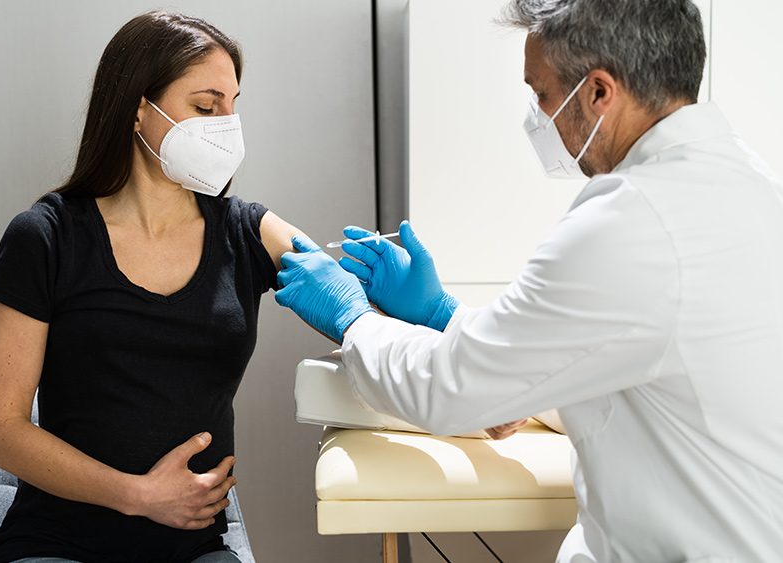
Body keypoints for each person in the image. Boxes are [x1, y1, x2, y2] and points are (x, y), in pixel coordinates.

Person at [274, 0, 783, 561]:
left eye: (542, 93)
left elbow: (453, 389)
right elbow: (622, 357)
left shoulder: (631, 221)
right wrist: (444, 315)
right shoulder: (747, 182)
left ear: (598, 92)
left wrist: (352, 315)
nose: (539, 116)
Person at [0, 11, 303, 563]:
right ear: (137, 109)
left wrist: (433, 316)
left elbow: (350, 300)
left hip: (194, 550)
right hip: (58, 545)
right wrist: (139, 495)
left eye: (232, 106)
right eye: (206, 108)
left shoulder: (246, 232)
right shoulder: (47, 238)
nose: (225, 126)